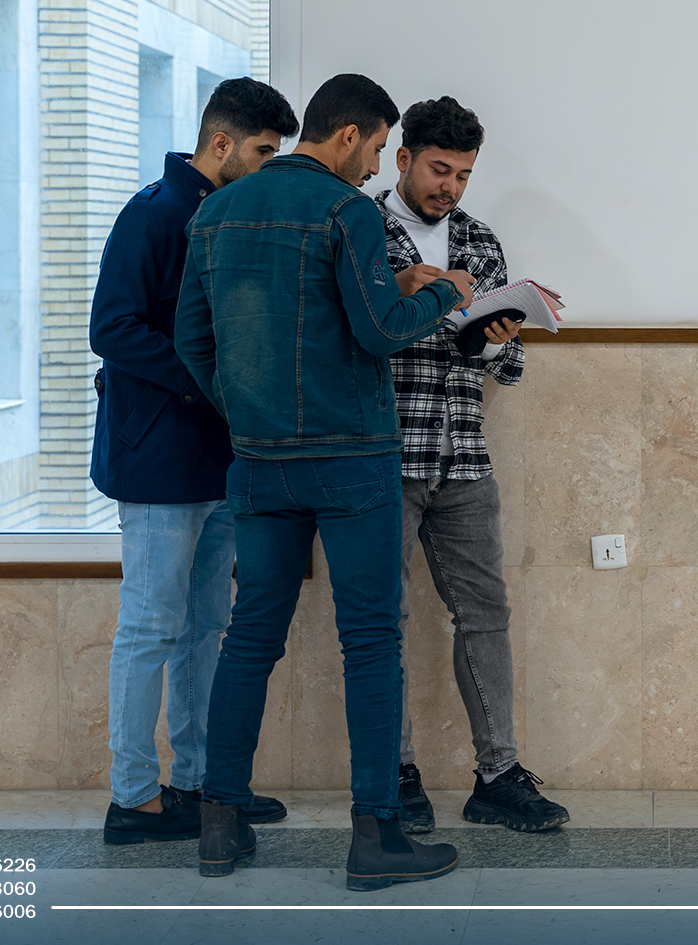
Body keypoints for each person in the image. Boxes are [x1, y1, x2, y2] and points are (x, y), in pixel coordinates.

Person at [175, 73, 476, 890]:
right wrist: (443, 292)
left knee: (250, 636)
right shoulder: (348, 211)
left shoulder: (216, 212)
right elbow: (376, 332)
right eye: (377, 149)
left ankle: (219, 825)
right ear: (348, 136)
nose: (376, 166)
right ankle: (376, 838)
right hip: (352, 461)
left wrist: (246, 411)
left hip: (259, 461)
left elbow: (192, 340)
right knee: (371, 641)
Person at [91, 78, 299, 845]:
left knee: (204, 626)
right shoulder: (153, 213)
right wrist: (208, 376)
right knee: (151, 627)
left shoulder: (227, 216)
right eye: (263, 152)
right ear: (221, 145)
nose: (268, 166)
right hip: (157, 461)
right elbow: (112, 328)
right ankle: (133, 800)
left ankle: (204, 783)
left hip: (217, 460)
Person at [376, 97, 570, 834]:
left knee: (485, 616)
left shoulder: (479, 240)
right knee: (381, 623)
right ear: (403, 159)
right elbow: (356, 336)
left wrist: (491, 339)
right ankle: (394, 775)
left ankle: (497, 775)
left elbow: (508, 365)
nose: (450, 187)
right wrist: (433, 312)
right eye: (438, 170)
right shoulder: (362, 230)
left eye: (462, 175)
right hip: (385, 460)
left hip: (464, 458)